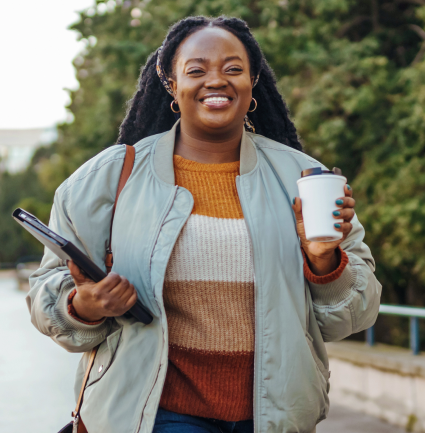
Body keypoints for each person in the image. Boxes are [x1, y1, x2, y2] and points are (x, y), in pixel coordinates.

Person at [27, 16, 382, 433]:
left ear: (253, 86)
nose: (216, 80)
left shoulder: (305, 180)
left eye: (233, 69)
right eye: (196, 70)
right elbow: (47, 295)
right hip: (156, 413)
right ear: (172, 86)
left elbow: (353, 316)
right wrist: (84, 307)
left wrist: (325, 261)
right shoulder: (106, 178)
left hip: (274, 415)